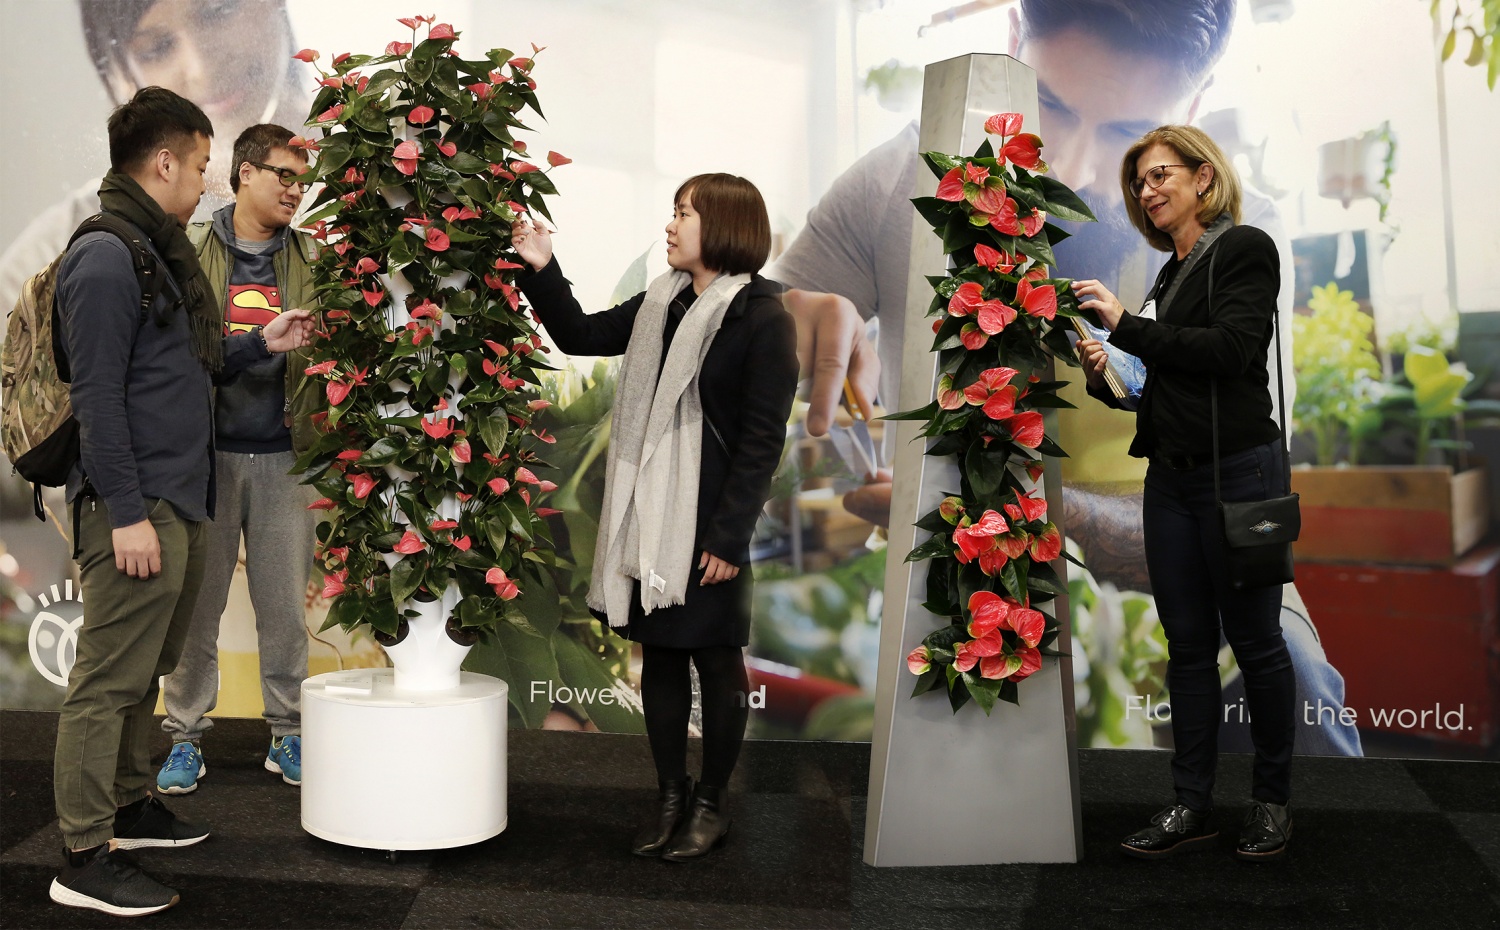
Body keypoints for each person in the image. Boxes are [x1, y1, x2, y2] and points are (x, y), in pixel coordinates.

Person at [768, 0, 1360, 757]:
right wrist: (785, 314)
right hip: (959, 578)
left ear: (1194, 111)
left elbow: (1245, 528)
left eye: (1126, 135)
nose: (1074, 170)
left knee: (1296, 716)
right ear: (1014, 42)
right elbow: (743, 324)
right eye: (1048, 103)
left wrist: (1034, 508)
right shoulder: (905, 180)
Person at [50, 86, 314, 917]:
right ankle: (83, 853)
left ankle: (129, 807)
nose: (205, 182)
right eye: (201, 166)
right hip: (139, 501)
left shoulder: (151, 247)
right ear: (163, 161)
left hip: (176, 493)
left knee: (145, 670)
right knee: (107, 681)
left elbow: (175, 371)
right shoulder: (104, 255)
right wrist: (126, 511)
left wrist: (253, 346)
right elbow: (96, 397)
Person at [511, 174, 798, 861]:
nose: (670, 227)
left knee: (716, 661)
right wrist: (542, 266)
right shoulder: (662, 303)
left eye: (683, 215)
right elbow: (579, 335)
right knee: (660, 659)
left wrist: (729, 537)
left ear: (725, 227)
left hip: (709, 521)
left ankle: (710, 804)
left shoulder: (763, 316)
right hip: (650, 513)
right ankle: (670, 795)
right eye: (672, 213)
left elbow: (763, 442)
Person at [1073, 125, 1295, 860]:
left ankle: (1269, 802)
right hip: (1170, 481)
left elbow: (1232, 351)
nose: (1147, 191)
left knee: (1259, 646)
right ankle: (1189, 804)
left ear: (1204, 178)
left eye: (1160, 174)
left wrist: (1128, 328)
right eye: (1139, 182)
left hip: (1241, 476)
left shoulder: (1244, 249)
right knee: (1188, 649)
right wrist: (1105, 366)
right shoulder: (1169, 273)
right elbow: (1162, 388)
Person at [155, 123, 320, 797]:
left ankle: (287, 732)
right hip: (208, 456)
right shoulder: (189, 248)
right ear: (244, 172)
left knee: (283, 607)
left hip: (288, 456)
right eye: (284, 175)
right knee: (196, 604)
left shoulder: (316, 257)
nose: (296, 190)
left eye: (303, 181)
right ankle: (185, 737)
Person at [0, 0, 309, 317]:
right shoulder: (51, 260)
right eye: (156, 48)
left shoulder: (355, 178)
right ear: (119, 74)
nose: (200, 68)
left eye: (220, 11)